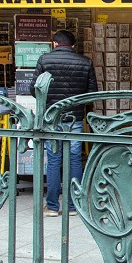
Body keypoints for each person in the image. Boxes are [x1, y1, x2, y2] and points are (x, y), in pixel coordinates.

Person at [34, 30, 98, 217]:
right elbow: (92, 93)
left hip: (52, 117)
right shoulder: (85, 62)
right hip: (75, 118)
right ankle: (72, 206)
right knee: (74, 158)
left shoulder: (44, 61)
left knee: (54, 159)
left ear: (54, 43)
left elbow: (34, 89)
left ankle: (53, 206)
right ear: (73, 45)